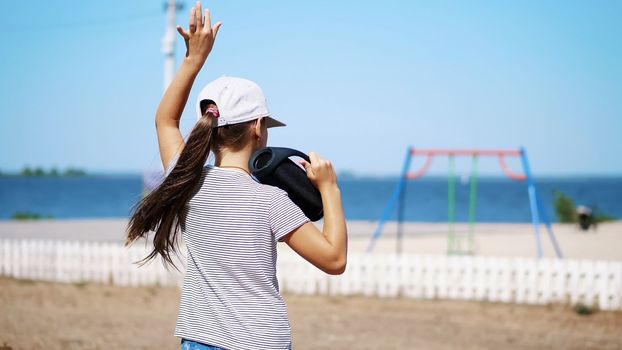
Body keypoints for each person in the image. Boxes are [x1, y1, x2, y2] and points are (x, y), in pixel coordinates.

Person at [124, 2, 348, 349]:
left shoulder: (186, 182)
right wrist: (330, 189)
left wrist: (194, 60)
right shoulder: (271, 200)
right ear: (258, 129)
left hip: (200, 340)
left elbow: (165, 120)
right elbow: (334, 260)